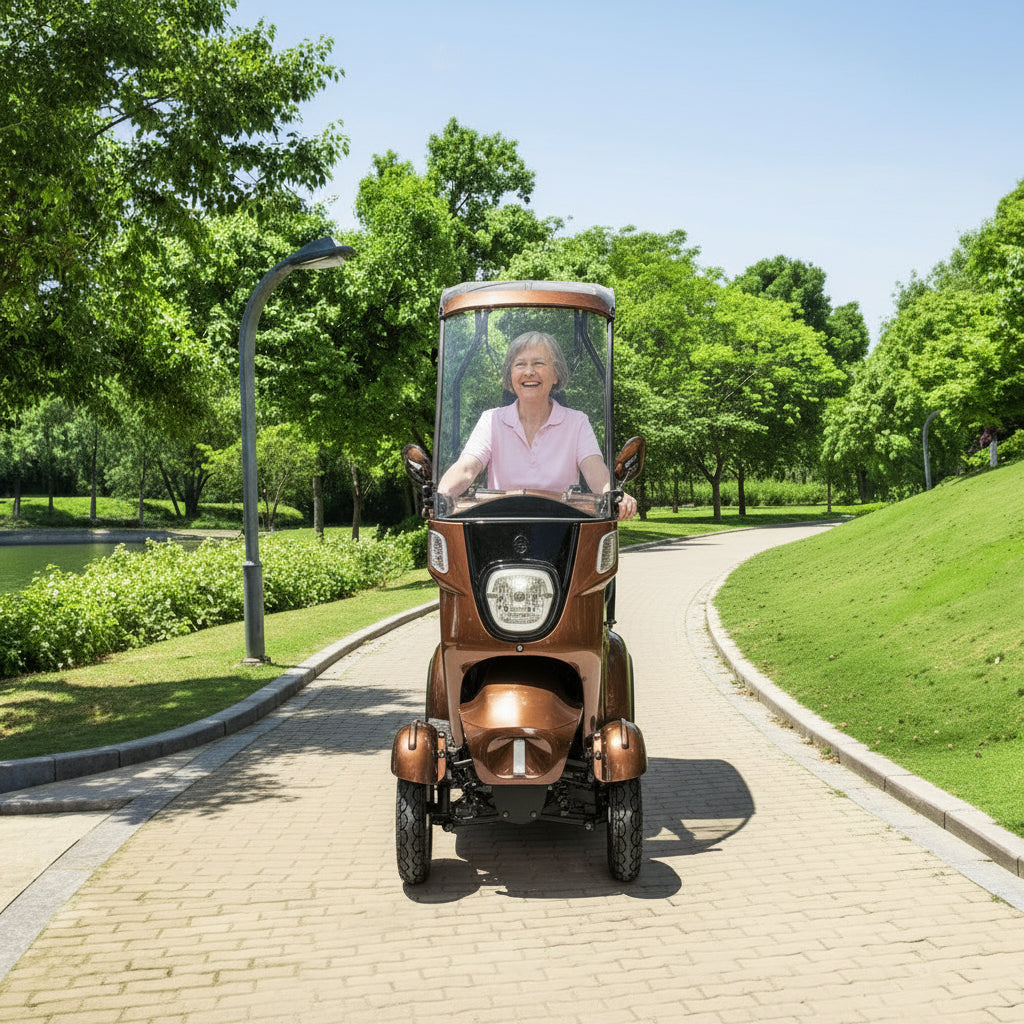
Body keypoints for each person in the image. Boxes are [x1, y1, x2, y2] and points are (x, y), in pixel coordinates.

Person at [437, 331, 637, 520]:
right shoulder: (491, 420)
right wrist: (440, 495)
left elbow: (596, 472)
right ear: (510, 375)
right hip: (498, 530)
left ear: (556, 374)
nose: (529, 372)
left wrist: (613, 495)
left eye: (538, 363)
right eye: (520, 364)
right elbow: (465, 469)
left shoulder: (578, 422)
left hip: (563, 533)